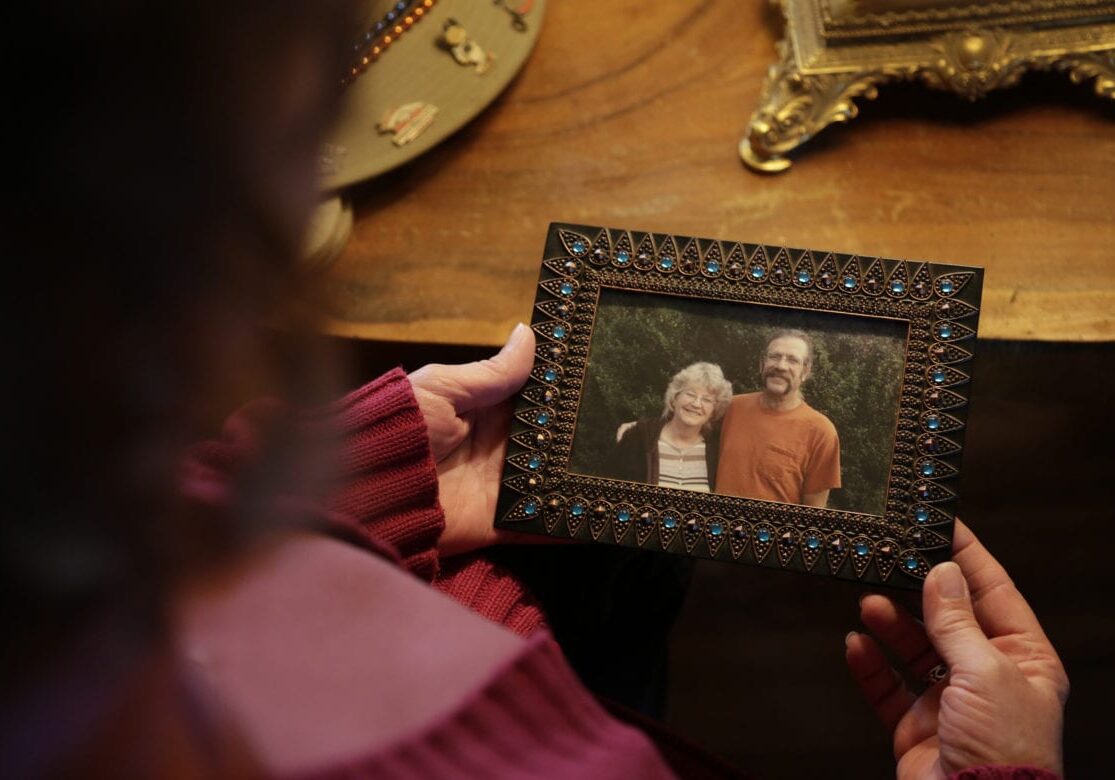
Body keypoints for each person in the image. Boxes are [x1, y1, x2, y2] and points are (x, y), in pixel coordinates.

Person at [2, 0, 1069, 777]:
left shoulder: (84, 497)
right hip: (516, 646)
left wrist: (363, 469)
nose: (773, 372)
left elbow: (821, 501)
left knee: (622, 569)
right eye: (300, 123)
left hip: (449, 575)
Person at [715, 329, 841, 507]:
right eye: (774, 356)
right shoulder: (731, 407)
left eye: (792, 360)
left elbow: (814, 511)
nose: (781, 366)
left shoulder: (821, 432)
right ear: (762, 363)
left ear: (805, 371)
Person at [612, 362, 733, 492]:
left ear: (714, 411)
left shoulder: (719, 449)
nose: (696, 404)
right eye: (690, 394)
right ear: (674, 398)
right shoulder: (637, 438)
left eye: (707, 400)